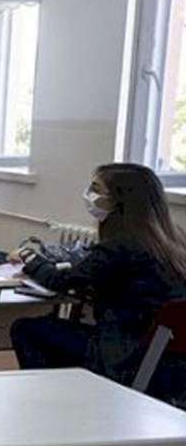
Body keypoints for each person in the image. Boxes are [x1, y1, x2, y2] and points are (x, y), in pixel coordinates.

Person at [11, 163, 186, 388]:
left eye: (96, 189)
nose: (89, 195)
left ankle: (52, 397)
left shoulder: (121, 245)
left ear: (118, 200)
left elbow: (60, 281)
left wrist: (29, 257)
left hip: (122, 355)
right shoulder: (174, 240)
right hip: (167, 360)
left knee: (27, 329)